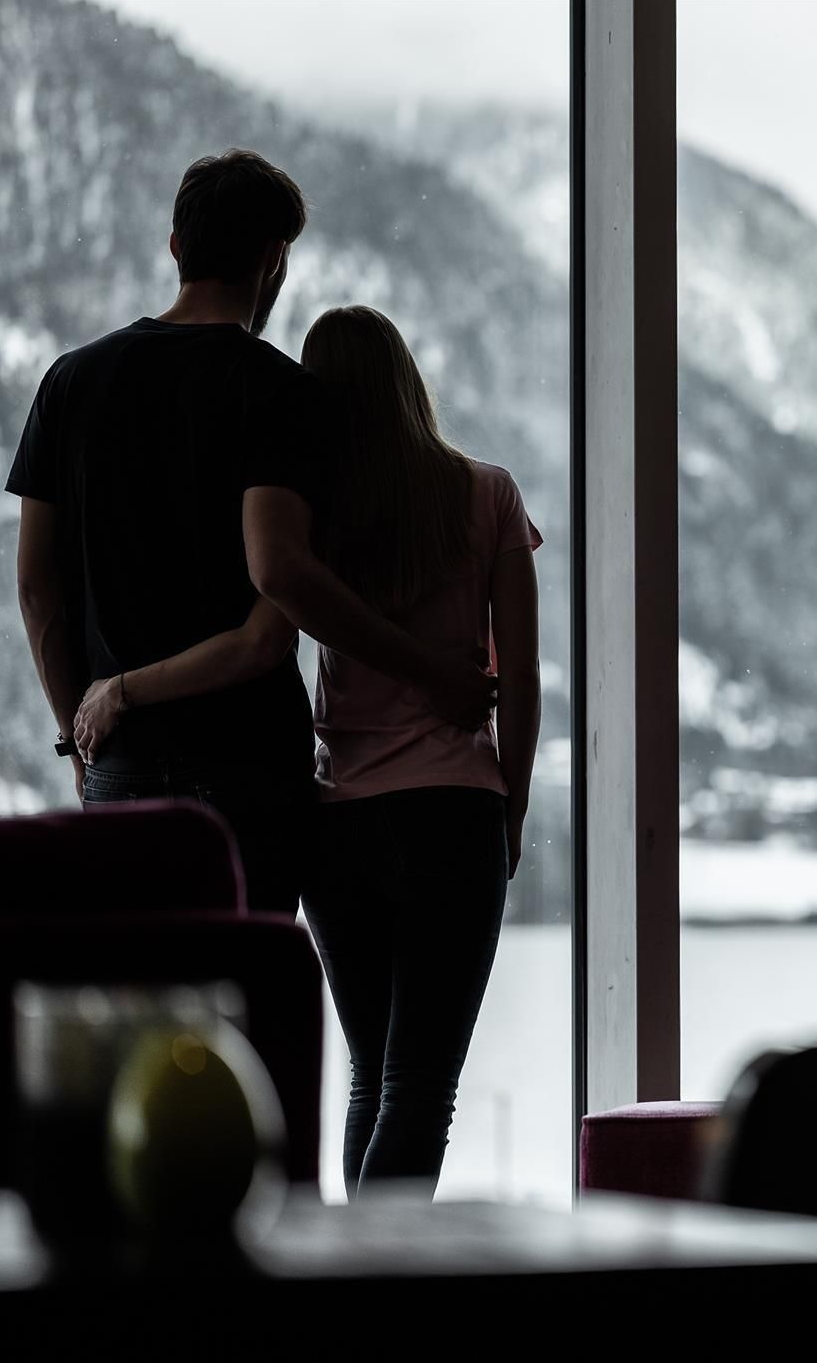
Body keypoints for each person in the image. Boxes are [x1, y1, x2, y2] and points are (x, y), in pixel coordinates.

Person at [76, 305, 543, 1199]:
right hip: (453, 811)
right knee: (420, 1084)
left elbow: (262, 635)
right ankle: (376, 1286)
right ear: (410, 381)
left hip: (338, 823)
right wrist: (508, 808)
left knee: (374, 1076)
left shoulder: (317, 521)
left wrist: (125, 686)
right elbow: (517, 675)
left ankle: (354, 1278)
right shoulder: (489, 493)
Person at [9, 149, 493, 913]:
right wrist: (434, 673)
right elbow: (277, 608)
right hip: (249, 773)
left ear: (176, 247)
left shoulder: (69, 381)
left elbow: (37, 587)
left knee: (144, 1009)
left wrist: (84, 733)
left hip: (121, 762)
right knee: (246, 1014)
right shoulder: (283, 395)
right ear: (275, 259)